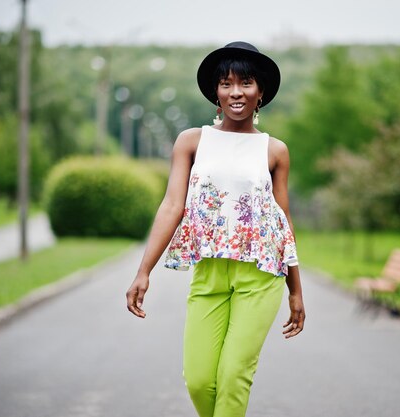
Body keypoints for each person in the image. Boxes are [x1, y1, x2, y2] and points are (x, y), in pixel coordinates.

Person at [126, 41, 306, 417]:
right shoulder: (191, 142)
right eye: (226, 83)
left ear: (261, 94)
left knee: (233, 378)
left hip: (260, 276)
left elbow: (283, 221)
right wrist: (144, 270)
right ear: (215, 92)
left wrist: (295, 289)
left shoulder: (275, 150)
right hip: (209, 274)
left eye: (245, 83)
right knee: (199, 379)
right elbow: (172, 206)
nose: (235, 92)